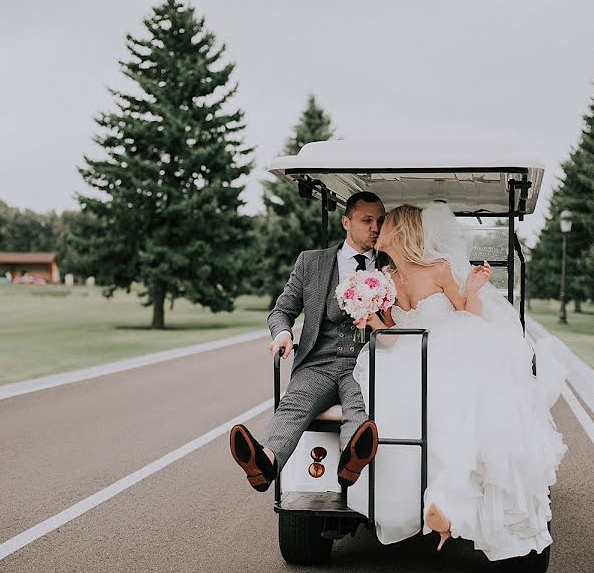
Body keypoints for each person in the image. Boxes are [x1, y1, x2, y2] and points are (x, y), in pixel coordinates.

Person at [346, 203, 567, 561]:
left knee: (455, 404)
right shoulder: (386, 278)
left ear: (400, 232)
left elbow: (468, 315)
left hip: (452, 346)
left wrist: (474, 288)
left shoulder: (438, 268)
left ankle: (446, 502)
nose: (377, 229)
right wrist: (371, 320)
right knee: (393, 403)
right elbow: (389, 336)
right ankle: (425, 501)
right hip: (406, 353)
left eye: (385, 223)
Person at [229, 192, 387, 491]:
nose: (375, 227)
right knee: (294, 403)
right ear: (346, 222)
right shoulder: (310, 262)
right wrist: (283, 333)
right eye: (367, 220)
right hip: (318, 361)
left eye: (380, 220)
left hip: (366, 360)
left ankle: (350, 461)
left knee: (359, 405)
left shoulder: (390, 264)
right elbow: (281, 310)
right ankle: (264, 462)